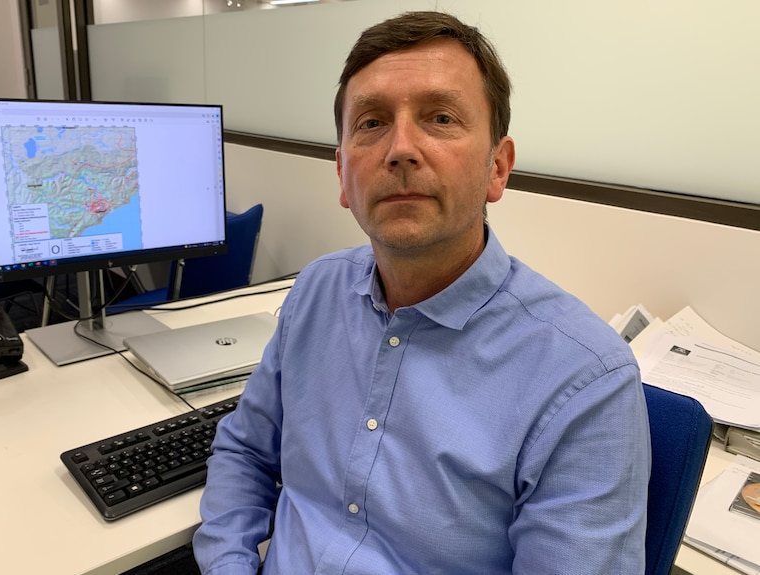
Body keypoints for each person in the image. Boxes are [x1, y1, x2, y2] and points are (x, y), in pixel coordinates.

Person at [194, 10, 650, 574]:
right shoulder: (315, 291)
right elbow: (244, 451)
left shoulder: (585, 380)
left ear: (497, 169)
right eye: (371, 122)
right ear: (342, 175)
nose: (401, 149)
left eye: (440, 117)